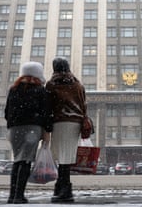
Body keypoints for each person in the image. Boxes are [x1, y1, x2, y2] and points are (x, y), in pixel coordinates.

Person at [5, 61, 52, 204]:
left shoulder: (13, 89)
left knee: (17, 160)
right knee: (26, 161)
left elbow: (7, 111)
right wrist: (47, 130)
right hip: (32, 128)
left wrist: (12, 123)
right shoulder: (40, 90)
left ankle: (12, 195)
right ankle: (19, 195)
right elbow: (46, 112)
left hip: (14, 129)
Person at [45, 57, 87, 203]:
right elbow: (83, 104)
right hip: (74, 123)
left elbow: (48, 105)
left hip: (59, 122)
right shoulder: (77, 84)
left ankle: (63, 190)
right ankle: (64, 188)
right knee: (67, 156)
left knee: (61, 156)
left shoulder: (52, 84)